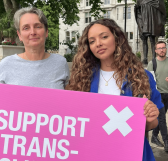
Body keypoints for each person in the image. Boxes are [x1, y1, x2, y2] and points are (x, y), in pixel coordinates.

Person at [66, 18, 163, 161]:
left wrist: (150, 116)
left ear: (117, 38)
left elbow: (152, 124)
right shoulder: (82, 79)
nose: (98, 43)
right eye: (92, 41)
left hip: (130, 153)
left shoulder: (141, 76)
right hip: (93, 153)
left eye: (104, 37)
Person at [0, 7, 69, 89]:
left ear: (46, 31)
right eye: (26, 28)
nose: (33, 32)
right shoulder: (6, 64)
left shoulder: (60, 63)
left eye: (38, 26)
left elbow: (68, 99)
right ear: (19, 35)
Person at [147, 41, 168, 151]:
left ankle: (154, 137)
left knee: (161, 118)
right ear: (155, 51)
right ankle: (166, 141)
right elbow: (151, 81)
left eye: (163, 47)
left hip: (167, 93)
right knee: (162, 118)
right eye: (159, 48)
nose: (161, 50)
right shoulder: (152, 63)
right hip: (158, 95)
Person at [134, 0, 166, 64]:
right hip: (143, 23)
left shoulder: (154, 1)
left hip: (151, 23)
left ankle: (154, 58)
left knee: (152, 40)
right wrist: (140, 23)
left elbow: (161, 7)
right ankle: (145, 59)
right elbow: (138, 11)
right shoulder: (140, 1)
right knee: (144, 40)